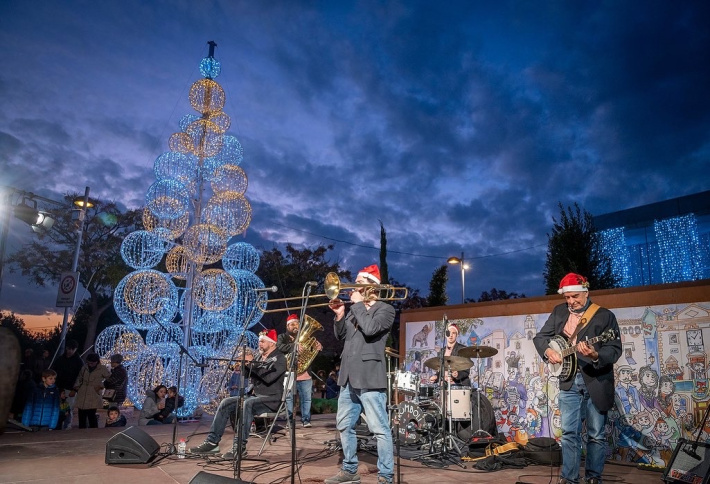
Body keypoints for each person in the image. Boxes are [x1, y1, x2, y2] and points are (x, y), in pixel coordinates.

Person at [533, 273, 621, 484]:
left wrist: (596, 354)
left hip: (596, 380)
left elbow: (615, 349)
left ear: (586, 292)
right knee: (569, 433)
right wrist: (548, 352)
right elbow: (540, 337)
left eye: (575, 297)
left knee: (596, 435)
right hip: (569, 381)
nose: (571, 301)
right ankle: (569, 478)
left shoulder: (604, 316)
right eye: (567, 297)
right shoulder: (559, 312)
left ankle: (593, 477)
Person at [326, 264, 396, 484]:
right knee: (345, 425)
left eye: (360, 283)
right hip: (348, 377)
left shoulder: (385, 310)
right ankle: (349, 470)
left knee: (380, 430)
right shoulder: (355, 310)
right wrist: (339, 316)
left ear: (372, 287)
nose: (354, 287)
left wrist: (357, 305)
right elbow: (342, 336)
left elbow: (371, 329)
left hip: (369, 377)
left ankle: (385, 475)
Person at [190, 329, 286, 460]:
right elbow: (247, 376)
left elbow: (268, 379)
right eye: (259, 341)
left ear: (272, 343)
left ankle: (239, 447)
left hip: (271, 400)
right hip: (256, 397)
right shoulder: (258, 356)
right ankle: (212, 443)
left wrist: (251, 364)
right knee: (226, 402)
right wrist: (244, 365)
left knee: (247, 403)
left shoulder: (280, 358)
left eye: (263, 341)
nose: (260, 344)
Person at [277, 313, 323, 428]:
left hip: (305, 374)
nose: (294, 326)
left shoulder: (307, 337)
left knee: (306, 399)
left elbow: (311, 352)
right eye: (292, 324)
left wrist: (318, 348)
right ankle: (290, 421)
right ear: (288, 327)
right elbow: (279, 347)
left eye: (296, 323)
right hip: (290, 373)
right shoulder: (283, 337)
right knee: (289, 399)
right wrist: (294, 346)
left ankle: (306, 420)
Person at [71, 353, 111, 428]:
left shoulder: (102, 369)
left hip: (93, 393)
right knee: (81, 414)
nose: (90, 364)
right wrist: (76, 387)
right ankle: (82, 431)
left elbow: (110, 379)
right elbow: (79, 378)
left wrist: (101, 386)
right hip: (83, 392)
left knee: (91, 414)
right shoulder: (84, 367)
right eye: (88, 362)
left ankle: (93, 431)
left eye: (92, 363)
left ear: (97, 362)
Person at [51, 339, 84, 427]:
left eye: (72, 349)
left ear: (75, 349)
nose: (69, 351)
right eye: (68, 349)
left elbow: (80, 377)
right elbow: (55, 372)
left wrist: (75, 389)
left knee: (68, 409)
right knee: (59, 408)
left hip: (70, 389)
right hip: (59, 387)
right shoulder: (60, 359)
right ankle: (57, 425)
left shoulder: (78, 362)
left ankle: (66, 426)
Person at [428, 322, 471, 387]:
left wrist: (457, 374)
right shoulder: (442, 351)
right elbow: (440, 370)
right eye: (449, 333)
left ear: (457, 335)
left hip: (459, 385)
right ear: (446, 335)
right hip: (444, 385)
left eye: (453, 333)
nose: (450, 335)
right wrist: (436, 377)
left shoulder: (463, 349)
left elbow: (466, 371)